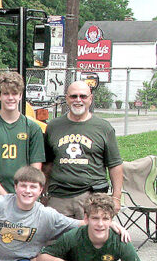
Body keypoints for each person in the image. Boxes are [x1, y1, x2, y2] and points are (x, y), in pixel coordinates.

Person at [43, 80, 124, 217]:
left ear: (90, 99)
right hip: (59, 197)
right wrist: (44, 193)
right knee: (55, 231)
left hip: (92, 197)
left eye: (83, 96)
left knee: (91, 231)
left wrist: (116, 198)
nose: (78, 100)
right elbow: (47, 165)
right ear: (67, 98)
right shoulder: (53, 126)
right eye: (73, 96)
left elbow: (115, 165)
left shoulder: (104, 128)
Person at [0, 72, 45, 194]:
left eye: (14, 93)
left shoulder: (33, 128)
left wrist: (24, 194)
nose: (10, 98)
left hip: (24, 195)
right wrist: (5, 197)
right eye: (6, 94)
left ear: (20, 96)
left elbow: (35, 169)